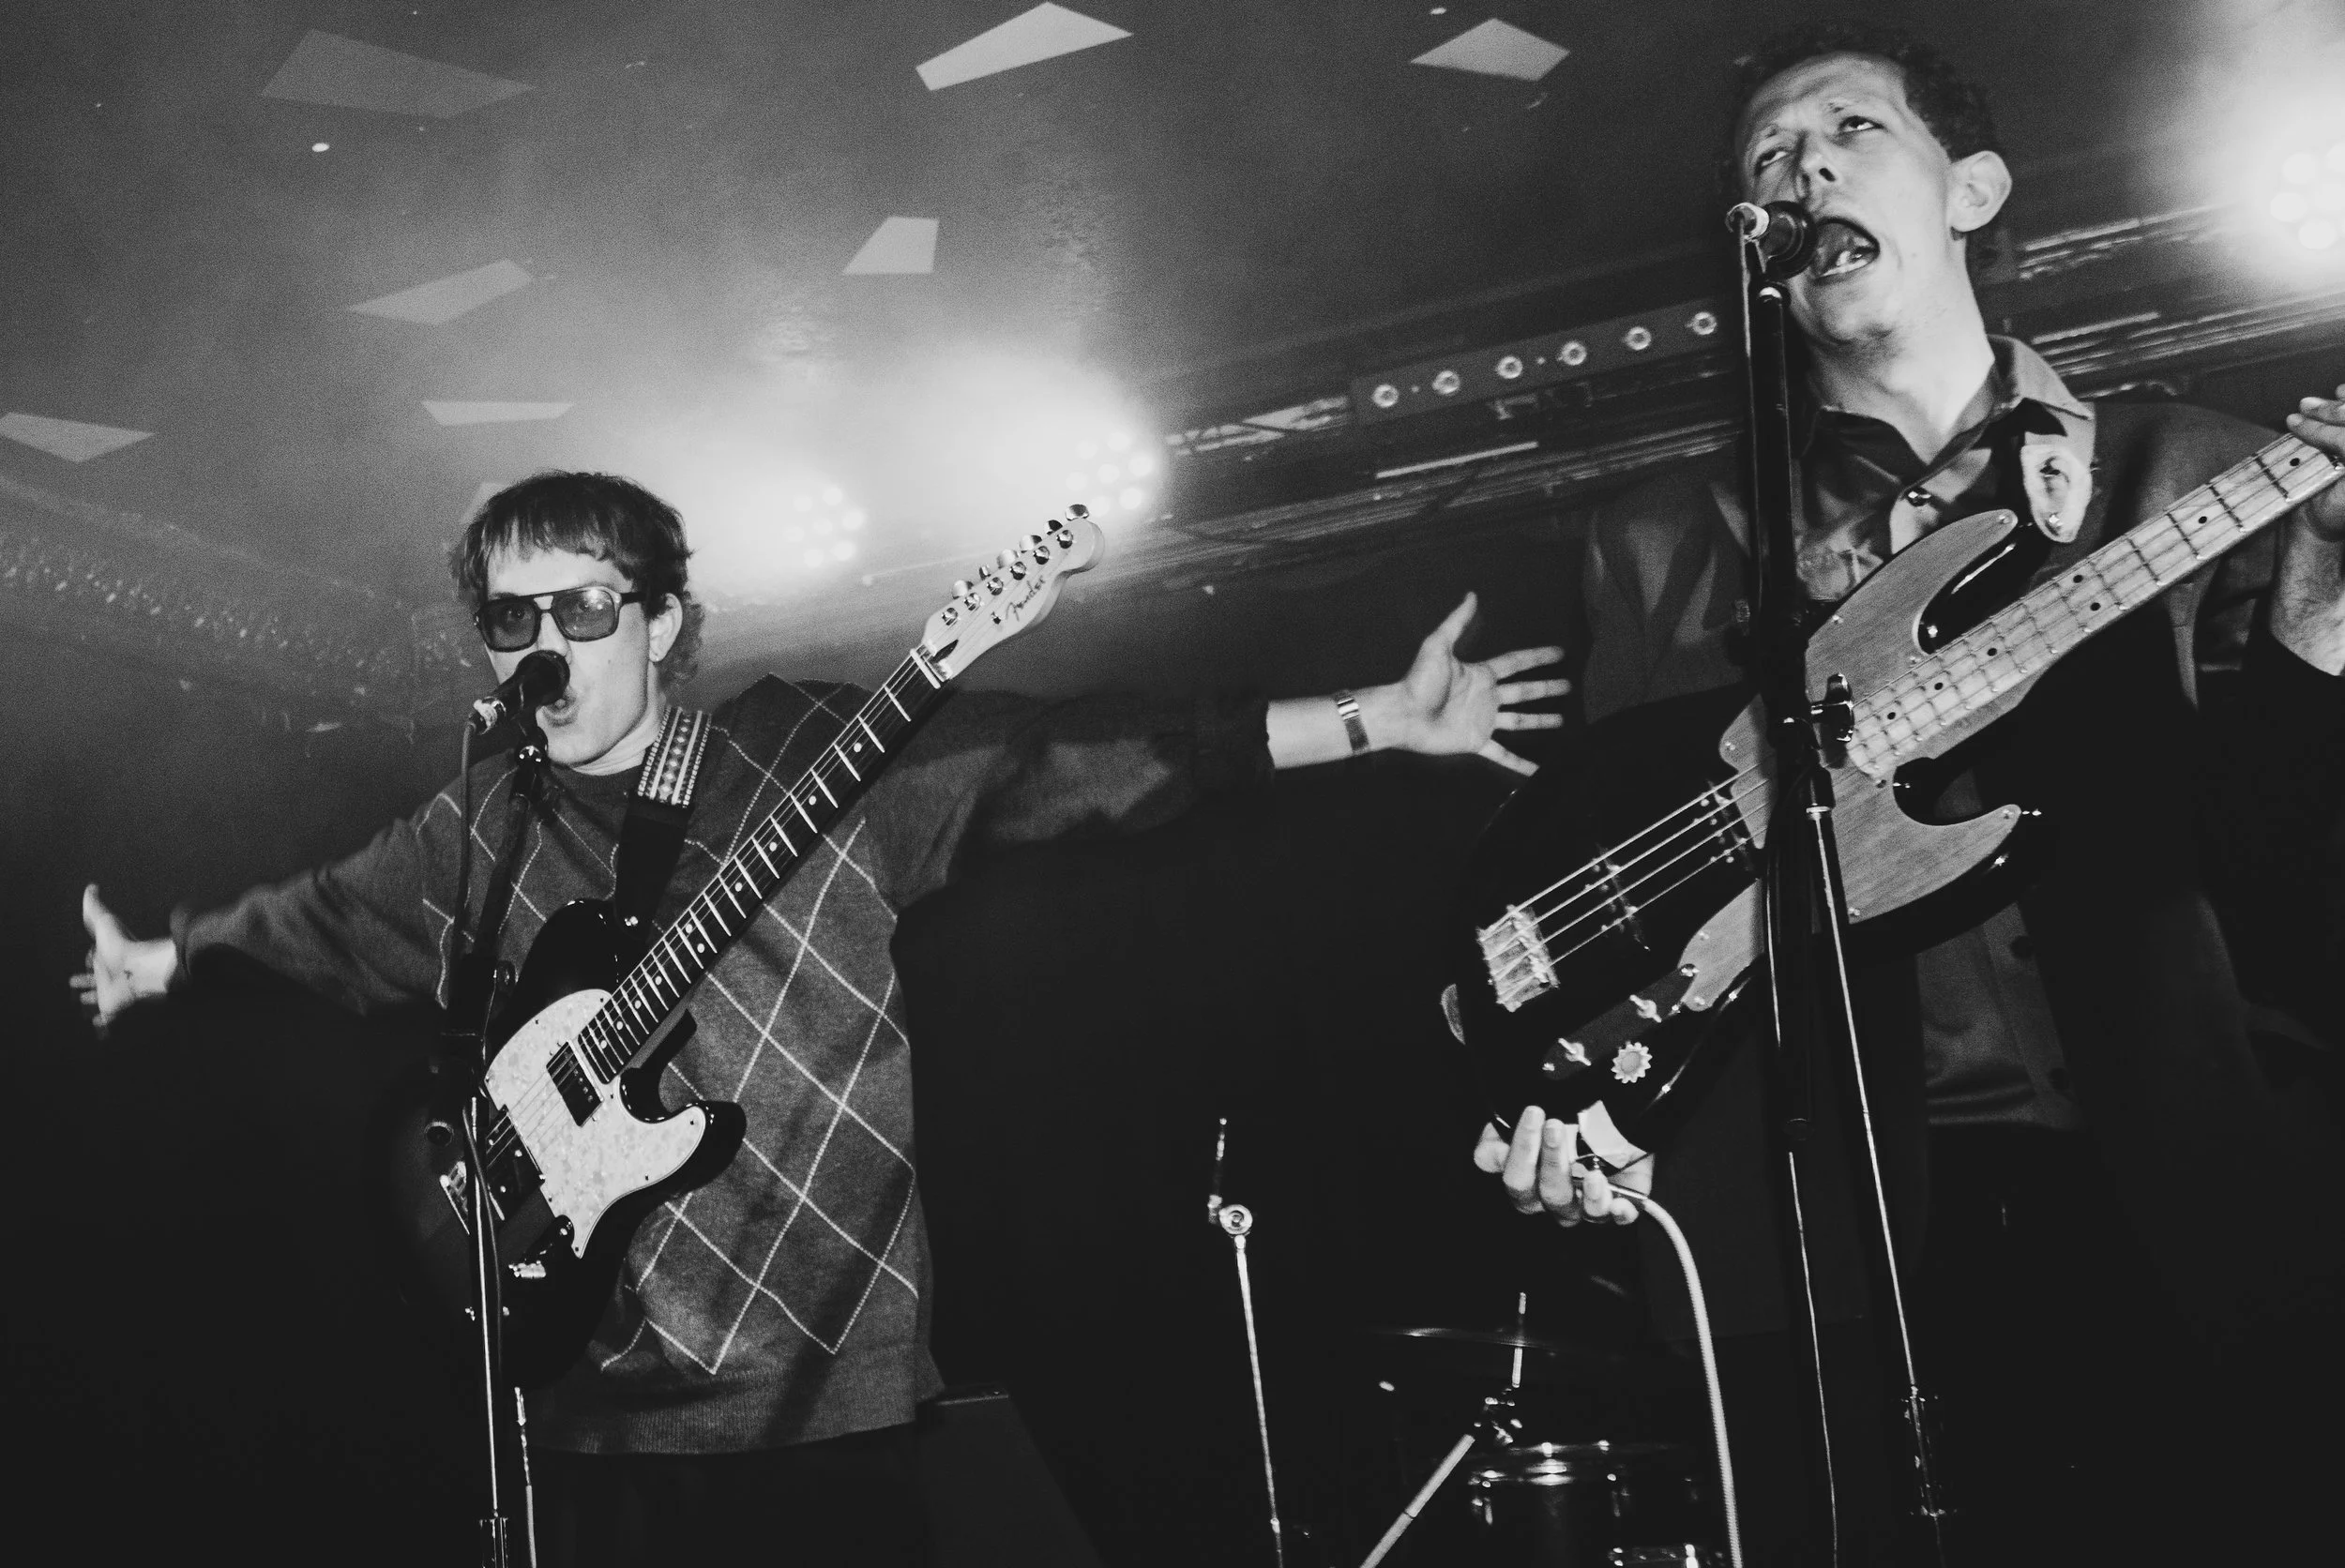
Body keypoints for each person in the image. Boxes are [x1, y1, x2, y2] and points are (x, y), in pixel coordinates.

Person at [77, 470, 1570, 1566]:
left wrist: (1380, 718)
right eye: (511, 616)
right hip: (587, 1411)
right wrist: (167, 957)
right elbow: (331, 919)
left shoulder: (801, 754)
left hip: (819, 1403)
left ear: (663, 621)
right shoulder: (482, 825)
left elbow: (1084, 762)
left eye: (583, 607)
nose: (546, 643)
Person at [1474, 21, 2345, 1566]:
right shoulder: (1672, 541)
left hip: (2191, 1190)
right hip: (1862, 1241)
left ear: (1971, 192)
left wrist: (2323, 611)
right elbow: (1647, 876)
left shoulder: (2182, 472)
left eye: (1850, 131)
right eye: (1766, 154)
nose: (1800, 167)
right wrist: (1594, 1101)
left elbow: (2288, 848)